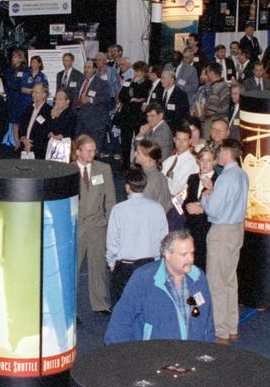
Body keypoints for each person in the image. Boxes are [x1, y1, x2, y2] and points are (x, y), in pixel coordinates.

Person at [105, 231, 215, 343]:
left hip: (192, 350)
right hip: (155, 351)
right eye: (184, 254)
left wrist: (209, 348)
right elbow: (121, 320)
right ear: (167, 254)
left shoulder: (198, 277)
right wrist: (118, 351)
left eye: (192, 253)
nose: (190, 259)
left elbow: (208, 322)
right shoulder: (144, 278)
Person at [201, 138, 248, 344]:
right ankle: (231, 326)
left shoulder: (225, 177)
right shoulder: (242, 174)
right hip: (236, 229)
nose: (218, 155)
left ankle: (220, 331)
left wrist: (206, 196)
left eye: (220, 152)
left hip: (221, 232)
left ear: (228, 152)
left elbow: (213, 210)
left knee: (216, 283)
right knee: (229, 280)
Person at [105, 167, 170, 305]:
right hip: (149, 265)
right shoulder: (157, 208)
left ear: (127, 187)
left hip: (125, 267)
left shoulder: (118, 209)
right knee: (147, 306)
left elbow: (113, 241)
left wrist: (111, 262)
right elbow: (164, 239)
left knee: (123, 307)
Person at [74, 135, 115, 313]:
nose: (93, 153)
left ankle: (100, 303)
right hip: (77, 227)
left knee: (98, 266)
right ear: (78, 152)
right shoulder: (68, 171)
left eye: (94, 150)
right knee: (73, 268)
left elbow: (110, 199)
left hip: (97, 225)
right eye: (88, 150)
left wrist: (108, 223)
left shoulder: (103, 169)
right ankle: (70, 307)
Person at [182, 146, 216, 272]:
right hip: (191, 226)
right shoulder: (193, 178)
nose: (205, 164)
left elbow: (219, 207)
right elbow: (186, 200)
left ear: (214, 162)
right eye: (202, 160)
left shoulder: (218, 180)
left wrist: (202, 210)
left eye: (208, 160)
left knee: (204, 263)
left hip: (207, 227)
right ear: (198, 161)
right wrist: (187, 207)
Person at [114, 62, 152, 167]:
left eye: (138, 71)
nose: (136, 73)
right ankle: (125, 162)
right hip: (126, 115)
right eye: (135, 71)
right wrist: (133, 97)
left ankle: (138, 162)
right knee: (125, 140)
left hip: (139, 116)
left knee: (139, 140)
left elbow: (143, 95)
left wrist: (136, 96)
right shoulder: (128, 81)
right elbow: (122, 96)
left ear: (144, 72)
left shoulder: (148, 83)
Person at [74, 58, 111, 141]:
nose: (86, 70)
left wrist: (90, 99)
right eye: (85, 67)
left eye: (89, 67)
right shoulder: (80, 81)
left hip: (94, 121)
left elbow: (106, 98)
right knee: (79, 144)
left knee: (94, 145)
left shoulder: (101, 83)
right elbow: (75, 98)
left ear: (94, 69)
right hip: (79, 119)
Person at [132, 139, 173, 213]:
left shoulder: (146, 181)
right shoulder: (161, 176)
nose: (135, 154)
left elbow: (144, 210)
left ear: (148, 158)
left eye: (138, 153)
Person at [162, 123, 199, 200]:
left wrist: (162, 179)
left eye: (185, 140)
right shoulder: (169, 160)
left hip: (179, 203)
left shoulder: (190, 163)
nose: (181, 143)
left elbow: (173, 190)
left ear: (190, 141)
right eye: (178, 139)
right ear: (174, 140)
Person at [19, 82, 51, 158]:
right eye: (33, 92)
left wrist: (31, 145)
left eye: (36, 92)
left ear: (44, 95)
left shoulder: (48, 111)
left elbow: (45, 133)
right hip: (24, 148)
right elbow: (22, 127)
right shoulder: (29, 108)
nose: (33, 94)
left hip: (39, 152)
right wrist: (24, 139)